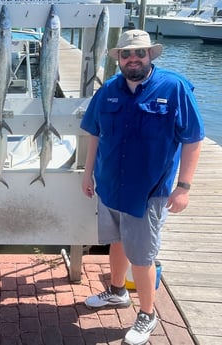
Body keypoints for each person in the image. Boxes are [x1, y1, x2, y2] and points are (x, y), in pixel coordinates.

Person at [80, 30, 204, 345]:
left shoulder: (174, 87)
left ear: (150, 55)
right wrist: (88, 173)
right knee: (117, 242)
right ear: (119, 58)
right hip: (110, 186)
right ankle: (118, 292)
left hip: (148, 191)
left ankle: (147, 314)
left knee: (143, 255)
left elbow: (193, 139)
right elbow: (94, 133)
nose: (132, 58)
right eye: (126, 54)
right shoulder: (108, 89)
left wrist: (184, 187)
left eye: (139, 53)